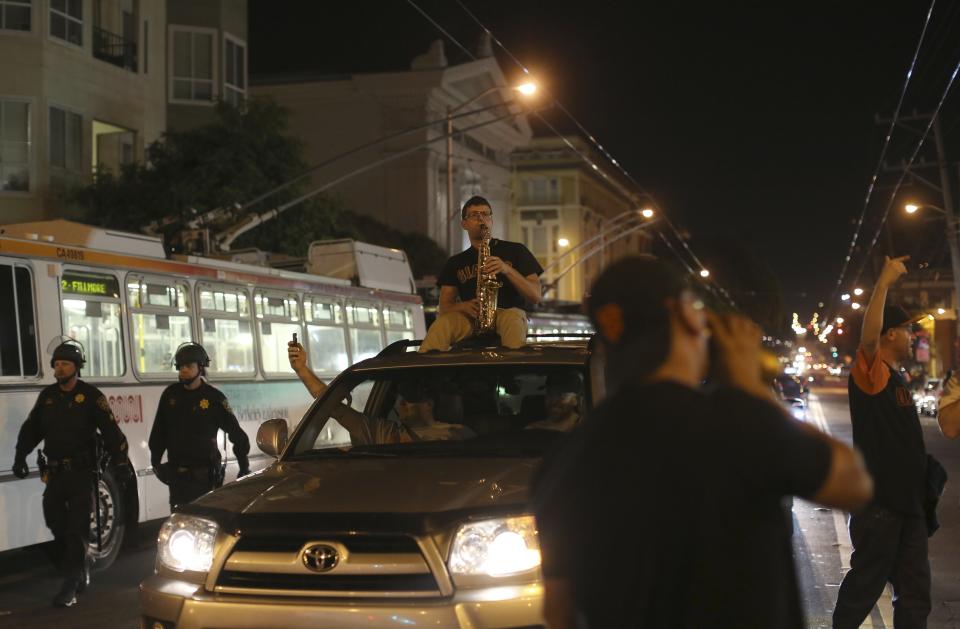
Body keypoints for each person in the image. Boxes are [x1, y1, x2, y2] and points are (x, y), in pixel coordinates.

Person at [532, 256, 874, 629]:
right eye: (696, 307)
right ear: (681, 316)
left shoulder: (564, 459)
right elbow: (854, 484)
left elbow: (558, 613)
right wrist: (751, 389)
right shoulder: (736, 424)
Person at [833, 255, 932, 629]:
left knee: (915, 592)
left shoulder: (897, 377)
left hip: (908, 505)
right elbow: (868, 336)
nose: (912, 336)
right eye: (906, 330)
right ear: (890, 334)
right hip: (880, 506)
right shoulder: (870, 373)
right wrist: (885, 282)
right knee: (865, 585)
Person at [13, 341, 132, 608]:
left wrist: (121, 462)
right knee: (54, 521)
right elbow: (32, 428)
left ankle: (71, 584)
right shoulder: (48, 396)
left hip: (81, 473)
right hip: (55, 473)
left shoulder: (91, 396)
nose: (59, 368)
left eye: (64, 363)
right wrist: (20, 455)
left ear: (76, 367)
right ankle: (80, 563)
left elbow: (112, 432)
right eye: (56, 364)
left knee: (77, 527)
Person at [419, 196, 543, 351]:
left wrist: (507, 269)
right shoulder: (455, 262)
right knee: (442, 324)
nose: (481, 219)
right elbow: (444, 307)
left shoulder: (516, 250)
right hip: (472, 318)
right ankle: (425, 371)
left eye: (485, 214)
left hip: (507, 315)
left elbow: (536, 296)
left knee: (512, 317)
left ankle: (513, 370)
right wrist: (464, 306)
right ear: (464, 224)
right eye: (474, 215)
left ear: (491, 220)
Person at [287, 341, 474, 443]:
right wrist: (302, 370)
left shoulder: (460, 435)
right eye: (399, 398)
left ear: (429, 403)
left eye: (409, 397)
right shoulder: (383, 433)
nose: (401, 404)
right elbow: (333, 406)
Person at [149, 343, 250, 508]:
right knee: (179, 525)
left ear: (201, 367)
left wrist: (244, 465)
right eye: (181, 366)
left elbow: (236, 433)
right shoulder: (170, 395)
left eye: (189, 366)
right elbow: (159, 431)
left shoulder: (214, 399)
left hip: (205, 478)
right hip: (177, 478)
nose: (184, 370)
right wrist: (156, 463)